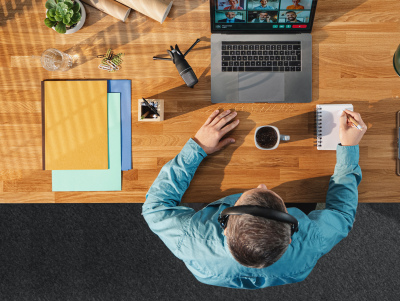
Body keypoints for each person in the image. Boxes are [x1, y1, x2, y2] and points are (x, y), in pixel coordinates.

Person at [142, 108, 366, 289]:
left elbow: (155, 207)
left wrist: (198, 148)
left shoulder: (191, 241)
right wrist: (349, 148)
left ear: (225, 227)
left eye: (255, 192)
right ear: (290, 237)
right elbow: (341, 214)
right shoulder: (309, 244)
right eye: (267, 191)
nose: (262, 185)